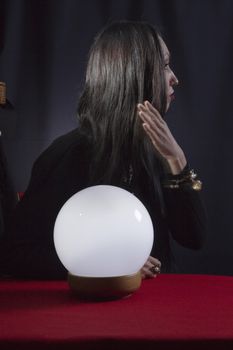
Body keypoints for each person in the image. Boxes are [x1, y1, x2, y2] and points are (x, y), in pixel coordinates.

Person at [0, 21, 206, 280]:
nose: (174, 77)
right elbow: (15, 255)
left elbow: (193, 238)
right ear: (135, 75)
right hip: (92, 317)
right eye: (164, 66)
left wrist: (177, 160)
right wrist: (106, 262)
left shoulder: (155, 151)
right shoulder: (68, 155)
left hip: (154, 309)